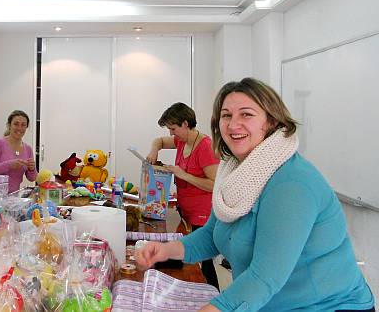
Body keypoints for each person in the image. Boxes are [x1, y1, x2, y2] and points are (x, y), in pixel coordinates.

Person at [136, 78, 375, 312]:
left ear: (271, 121)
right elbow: (211, 236)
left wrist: (216, 308)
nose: (233, 125)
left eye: (246, 114)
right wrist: (166, 250)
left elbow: (265, 276)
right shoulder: (233, 170)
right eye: (226, 115)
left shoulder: (291, 183)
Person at [146, 102, 220, 288]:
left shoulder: (205, 147)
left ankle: (213, 294)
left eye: (173, 128)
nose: (171, 134)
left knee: (203, 264)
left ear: (185, 124)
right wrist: (154, 150)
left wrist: (183, 175)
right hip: (185, 210)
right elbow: (159, 141)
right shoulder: (181, 141)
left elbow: (214, 184)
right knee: (186, 262)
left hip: (202, 215)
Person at [0, 110, 37, 193]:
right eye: (16, 124)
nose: (19, 128)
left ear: (26, 127)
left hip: (14, 196)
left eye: (23, 125)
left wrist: (32, 168)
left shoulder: (28, 149)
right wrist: (9, 165)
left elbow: (32, 178)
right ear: (9, 125)